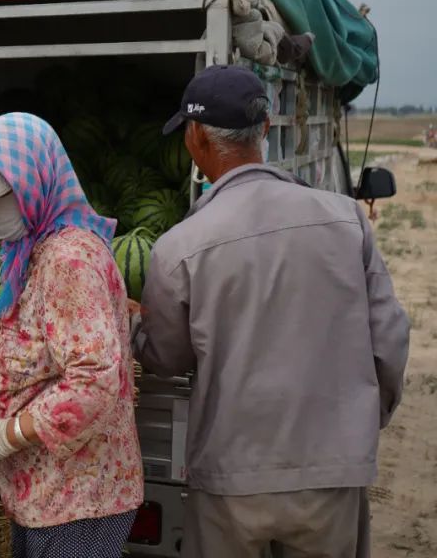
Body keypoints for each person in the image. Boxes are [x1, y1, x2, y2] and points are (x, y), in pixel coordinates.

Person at [133, 65, 411, 558]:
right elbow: (389, 340)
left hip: (230, 481)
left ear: (195, 138)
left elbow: (166, 358)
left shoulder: (179, 248)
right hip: (331, 469)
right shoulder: (346, 220)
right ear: (264, 129)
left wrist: (134, 325)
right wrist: (359, 423)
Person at [0, 113, 144, 557]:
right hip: (51, 496)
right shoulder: (36, 251)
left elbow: (92, 381)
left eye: (0, 197)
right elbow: (48, 356)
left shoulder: (68, 260)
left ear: (35, 182)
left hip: (78, 499)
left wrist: (5, 434)